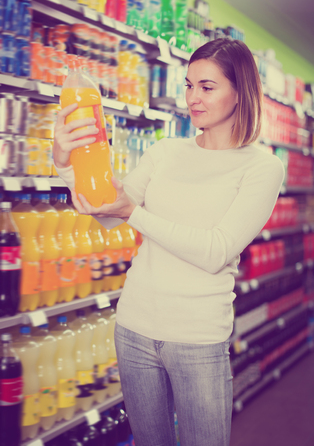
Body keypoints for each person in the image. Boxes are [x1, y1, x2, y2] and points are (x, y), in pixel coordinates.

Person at [53, 37, 285, 446]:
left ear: (240, 92)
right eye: (189, 85)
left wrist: (134, 214)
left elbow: (216, 251)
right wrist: (64, 159)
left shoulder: (262, 167)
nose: (193, 98)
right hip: (134, 327)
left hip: (197, 338)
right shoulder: (165, 152)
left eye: (207, 87)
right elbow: (105, 210)